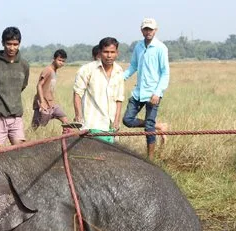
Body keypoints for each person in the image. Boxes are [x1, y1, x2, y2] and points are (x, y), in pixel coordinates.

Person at [122, 18, 170, 160]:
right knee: (127, 120)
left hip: (153, 94)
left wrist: (158, 92)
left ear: (156, 30)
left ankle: (150, 159)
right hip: (138, 92)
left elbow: (165, 73)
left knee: (149, 126)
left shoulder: (161, 48)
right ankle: (159, 126)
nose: (148, 32)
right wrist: (120, 78)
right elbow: (133, 66)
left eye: (151, 29)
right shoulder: (138, 47)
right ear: (141, 30)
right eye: (146, 29)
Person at [0, 26, 30, 146]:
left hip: (16, 118)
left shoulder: (24, 65)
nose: (12, 48)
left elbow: (22, 86)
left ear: (19, 44)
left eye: (15, 44)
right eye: (9, 44)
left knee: (21, 152)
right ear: (3, 43)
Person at [73, 37, 125, 143]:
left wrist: (116, 120)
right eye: (106, 52)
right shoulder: (87, 70)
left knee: (110, 157)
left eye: (112, 52)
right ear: (100, 52)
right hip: (92, 123)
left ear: (117, 53)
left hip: (111, 126)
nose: (109, 56)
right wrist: (78, 115)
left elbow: (119, 99)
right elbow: (77, 93)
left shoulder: (119, 71)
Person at [32, 49, 69, 129]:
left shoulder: (54, 71)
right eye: (59, 60)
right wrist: (42, 102)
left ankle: (65, 139)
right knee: (35, 127)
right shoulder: (48, 70)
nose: (61, 63)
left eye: (63, 61)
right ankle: (27, 139)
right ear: (54, 59)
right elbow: (39, 85)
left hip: (51, 104)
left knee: (65, 120)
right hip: (42, 104)